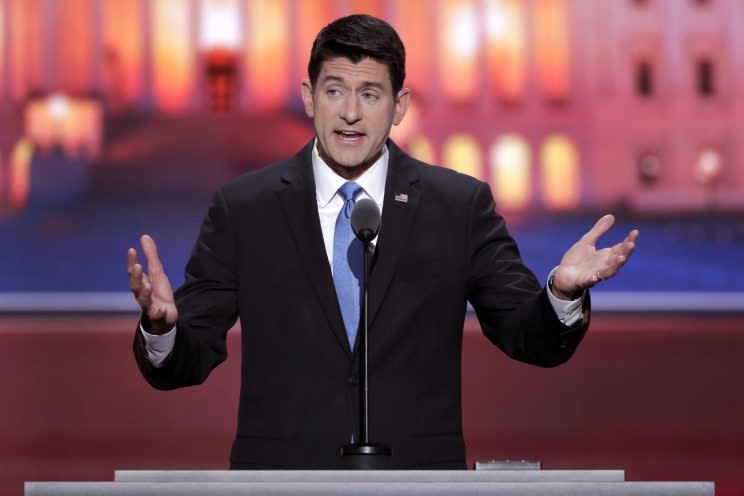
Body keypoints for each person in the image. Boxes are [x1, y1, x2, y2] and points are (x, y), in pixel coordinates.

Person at [127, 14, 638, 469]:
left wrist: (562, 293)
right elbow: (185, 360)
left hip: (418, 479)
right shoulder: (244, 208)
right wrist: (161, 329)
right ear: (309, 98)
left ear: (399, 106)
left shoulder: (458, 206)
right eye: (333, 91)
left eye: (370, 94)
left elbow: (531, 338)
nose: (350, 113)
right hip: (281, 479)